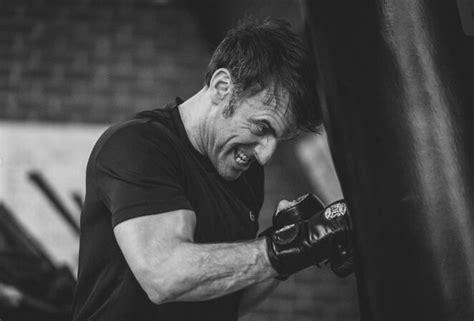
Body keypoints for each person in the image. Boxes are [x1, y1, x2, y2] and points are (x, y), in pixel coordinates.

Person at [71, 18, 353, 321]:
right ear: (222, 87)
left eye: (278, 140)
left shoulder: (244, 174)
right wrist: (292, 245)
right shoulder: (138, 145)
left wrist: (291, 246)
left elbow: (228, 301)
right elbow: (164, 275)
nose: (266, 155)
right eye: (261, 127)